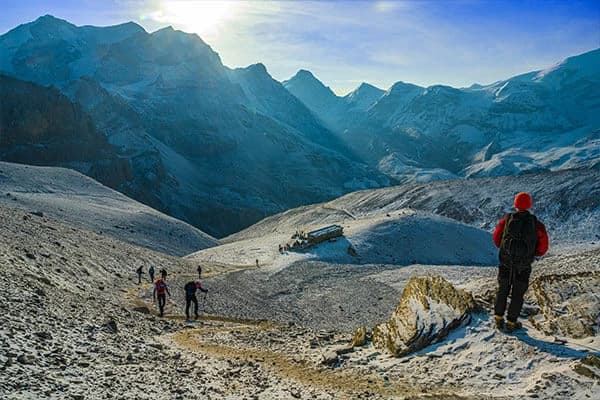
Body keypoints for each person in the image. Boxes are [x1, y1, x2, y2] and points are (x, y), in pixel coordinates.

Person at [492, 192, 548, 332]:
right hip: (523, 265)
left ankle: (498, 319)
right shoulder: (537, 225)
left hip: (506, 262)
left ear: (515, 204)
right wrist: (531, 253)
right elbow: (543, 248)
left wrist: (507, 251)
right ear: (529, 205)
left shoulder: (506, 220)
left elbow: (497, 239)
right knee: (517, 294)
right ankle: (511, 323)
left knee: (503, 289)